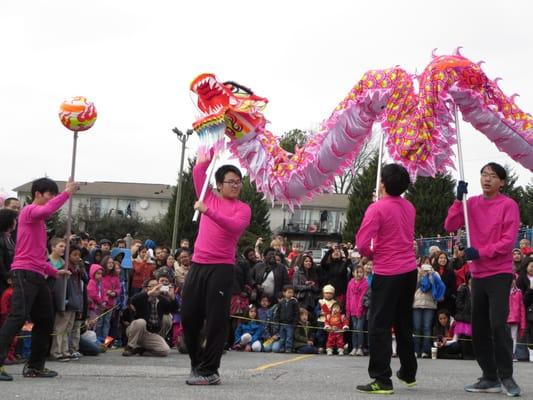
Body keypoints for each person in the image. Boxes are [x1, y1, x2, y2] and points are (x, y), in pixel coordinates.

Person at [445, 162, 521, 396]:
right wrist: (458, 201)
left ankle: (506, 376)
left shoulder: (509, 205)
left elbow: (508, 242)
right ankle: (489, 376)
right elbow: (449, 225)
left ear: (502, 182)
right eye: (484, 174)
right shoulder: (472, 204)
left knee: (498, 324)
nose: (487, 179)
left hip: (499, 272)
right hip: (477, 275)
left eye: (493, 176)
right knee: (478, 328)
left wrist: (482, 251)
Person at [181, 158, 251, 386]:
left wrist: (207, 211)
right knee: (189, 317)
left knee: (216, 321)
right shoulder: (208, 196)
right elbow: (198, 170)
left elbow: (234, 227)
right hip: (198, 264)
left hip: (222, 267)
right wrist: (210, 149)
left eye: (238, 182)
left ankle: (210, 370)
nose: (235, 185)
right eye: (230, 182)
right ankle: (197, 363)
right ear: (218, 185)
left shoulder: (243, 208)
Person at [0, 178, 76, 381]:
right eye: (49, 194)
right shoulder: (29, 212)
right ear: (37, 194)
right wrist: (66, 193)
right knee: (17, 316)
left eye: (54, 194)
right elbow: (46, 211)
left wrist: (54, 272)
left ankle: (35, 366)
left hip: (36, 274)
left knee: (45, 319)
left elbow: (38, 256)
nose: (51, 197)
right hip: (24, 273)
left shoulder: (39, 224)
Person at [355, 163, 417, 395]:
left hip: (388, 271)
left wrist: (371, 254)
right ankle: (408, 372)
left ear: (383, 183)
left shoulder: (377, 208)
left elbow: (362, 243)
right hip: (409, 270)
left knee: (379, 326)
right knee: (403, 322)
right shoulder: (409, 206)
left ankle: (381, 378)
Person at [122, 278, 178, 357]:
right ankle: (130, 347)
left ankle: (140, 350)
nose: (156, 288)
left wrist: (172, 297)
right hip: (135, 330)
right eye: (152, 286)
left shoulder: (161, 300)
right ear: (146, 288)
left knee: (164, 351)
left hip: (149, 334)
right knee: (141, 322)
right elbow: (133, 300)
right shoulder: (142, 298)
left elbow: (174, 309)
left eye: (157, 285)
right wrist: (150, 293)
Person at [412, 264, 445, 358]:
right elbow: (412, 287)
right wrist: (420, 275)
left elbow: (440, 286)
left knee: (427, 328)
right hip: (416, 304)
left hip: (430, 305)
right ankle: (416, 350)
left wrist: (432, 276)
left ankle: (425, 351)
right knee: (416, 328)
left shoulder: (435, 274)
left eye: (428, 267)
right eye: (424, 267)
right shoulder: (417, 273)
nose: (426, 270)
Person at [346, 265, 369, 356]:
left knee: (359, 329)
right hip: (352, 309)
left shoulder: (365, 283)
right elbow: (348, 296)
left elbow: (363, 297)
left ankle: (360, 347)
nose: (359, 274)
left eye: (360, 272)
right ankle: (354, 347)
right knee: (354, 329)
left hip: (361, 310)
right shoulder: (350, 283)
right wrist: (348, 309)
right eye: (357, 272)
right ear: (353, 273)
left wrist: (360, 309)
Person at [273, 285, 299, 353]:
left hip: (290, 324)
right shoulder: (281, 302)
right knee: (282, 337)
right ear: (284, 293)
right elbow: (278, 312)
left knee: (289, 337)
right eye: (289, 292)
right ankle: (282, 347)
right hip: (282, 323)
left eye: (292, 292)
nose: (290, 294)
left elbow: (296, 313)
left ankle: (288, 348)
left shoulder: (294, 302)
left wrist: (294, 323)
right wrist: (277, 321)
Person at [0, 209, 17, 297]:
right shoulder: (2, 238)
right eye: (14, 219)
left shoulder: (8, 237)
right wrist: (7, 276)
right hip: (3, 280)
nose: (16, 222)